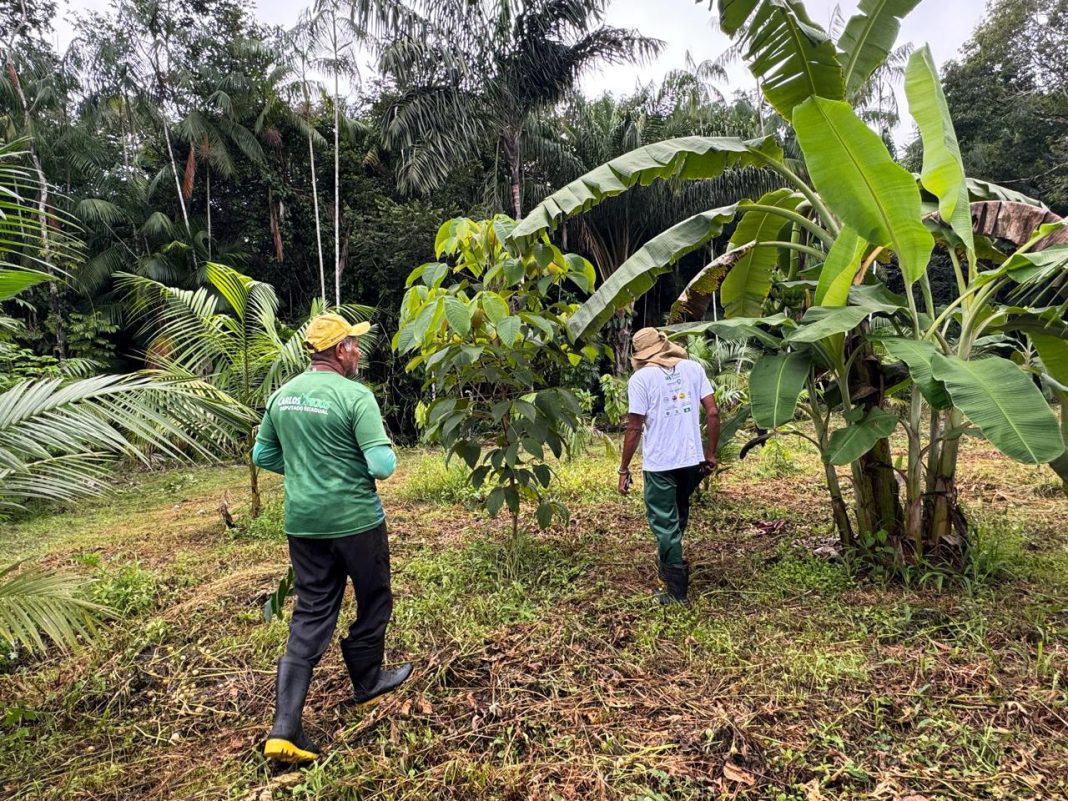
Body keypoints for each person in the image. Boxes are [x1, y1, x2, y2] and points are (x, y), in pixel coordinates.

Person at [252, 313, 412, 764]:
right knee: (374, 597)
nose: (358, 351)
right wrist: (343, 469)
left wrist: (308, 470)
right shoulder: (355, 396)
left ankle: (284, 729)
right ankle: (368, 681)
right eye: (354, 344)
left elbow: (262, 453)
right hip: (356, 522)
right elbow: (382, 466)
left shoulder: (282, 396)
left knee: (312, 610)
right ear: (341, 350)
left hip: (303, 524)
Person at [617, 327, 720, 605]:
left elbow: (634, 427)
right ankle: (668, 566)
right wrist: (710, 454)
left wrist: (624, 468)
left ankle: (675, 592)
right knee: (678, 511)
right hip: (691, 460)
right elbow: (712, 411)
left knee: (664, 522)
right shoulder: (693, 369)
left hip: (660, 463)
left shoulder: (641, 379)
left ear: (640, 354)